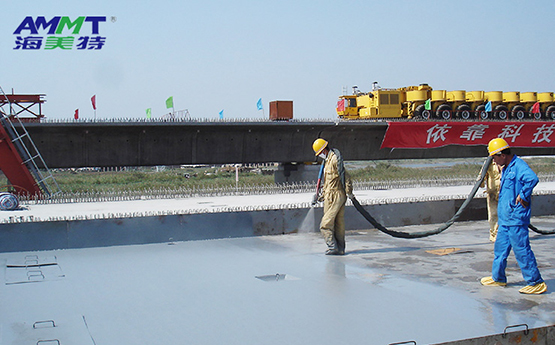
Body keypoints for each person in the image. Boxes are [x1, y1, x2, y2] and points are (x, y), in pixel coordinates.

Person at [480, 138, 547, 294]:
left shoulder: (519, 166)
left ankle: (536, 282)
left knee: (522, 250)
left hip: (516, 218)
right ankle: (498, 278)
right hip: (505, 219)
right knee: (500, 250)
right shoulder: (507, 167)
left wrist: (523, 195)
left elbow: (532, 179)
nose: (494, 161)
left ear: (502, 155)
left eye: (494, 157)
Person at [312, 138, 353, 255]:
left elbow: (345, 176)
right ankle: (340, 249)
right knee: (338, 224)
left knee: (325, 225)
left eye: (319, 153)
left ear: (323, 150)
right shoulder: (327, 161)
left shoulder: (334, 159)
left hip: (336, 196)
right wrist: (319, 197)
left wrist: (349, 191)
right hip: (330, 196)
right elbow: (329, 182)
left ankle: (332, 247)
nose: (319, 155)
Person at [480, 160, 501, 242]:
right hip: (493, 194)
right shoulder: (488, 163)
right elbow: (481, 177)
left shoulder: (507, 161)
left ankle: (505, 235)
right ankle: (494, 235)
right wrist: (481, 181)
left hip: (506, 193)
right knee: (493, 215)